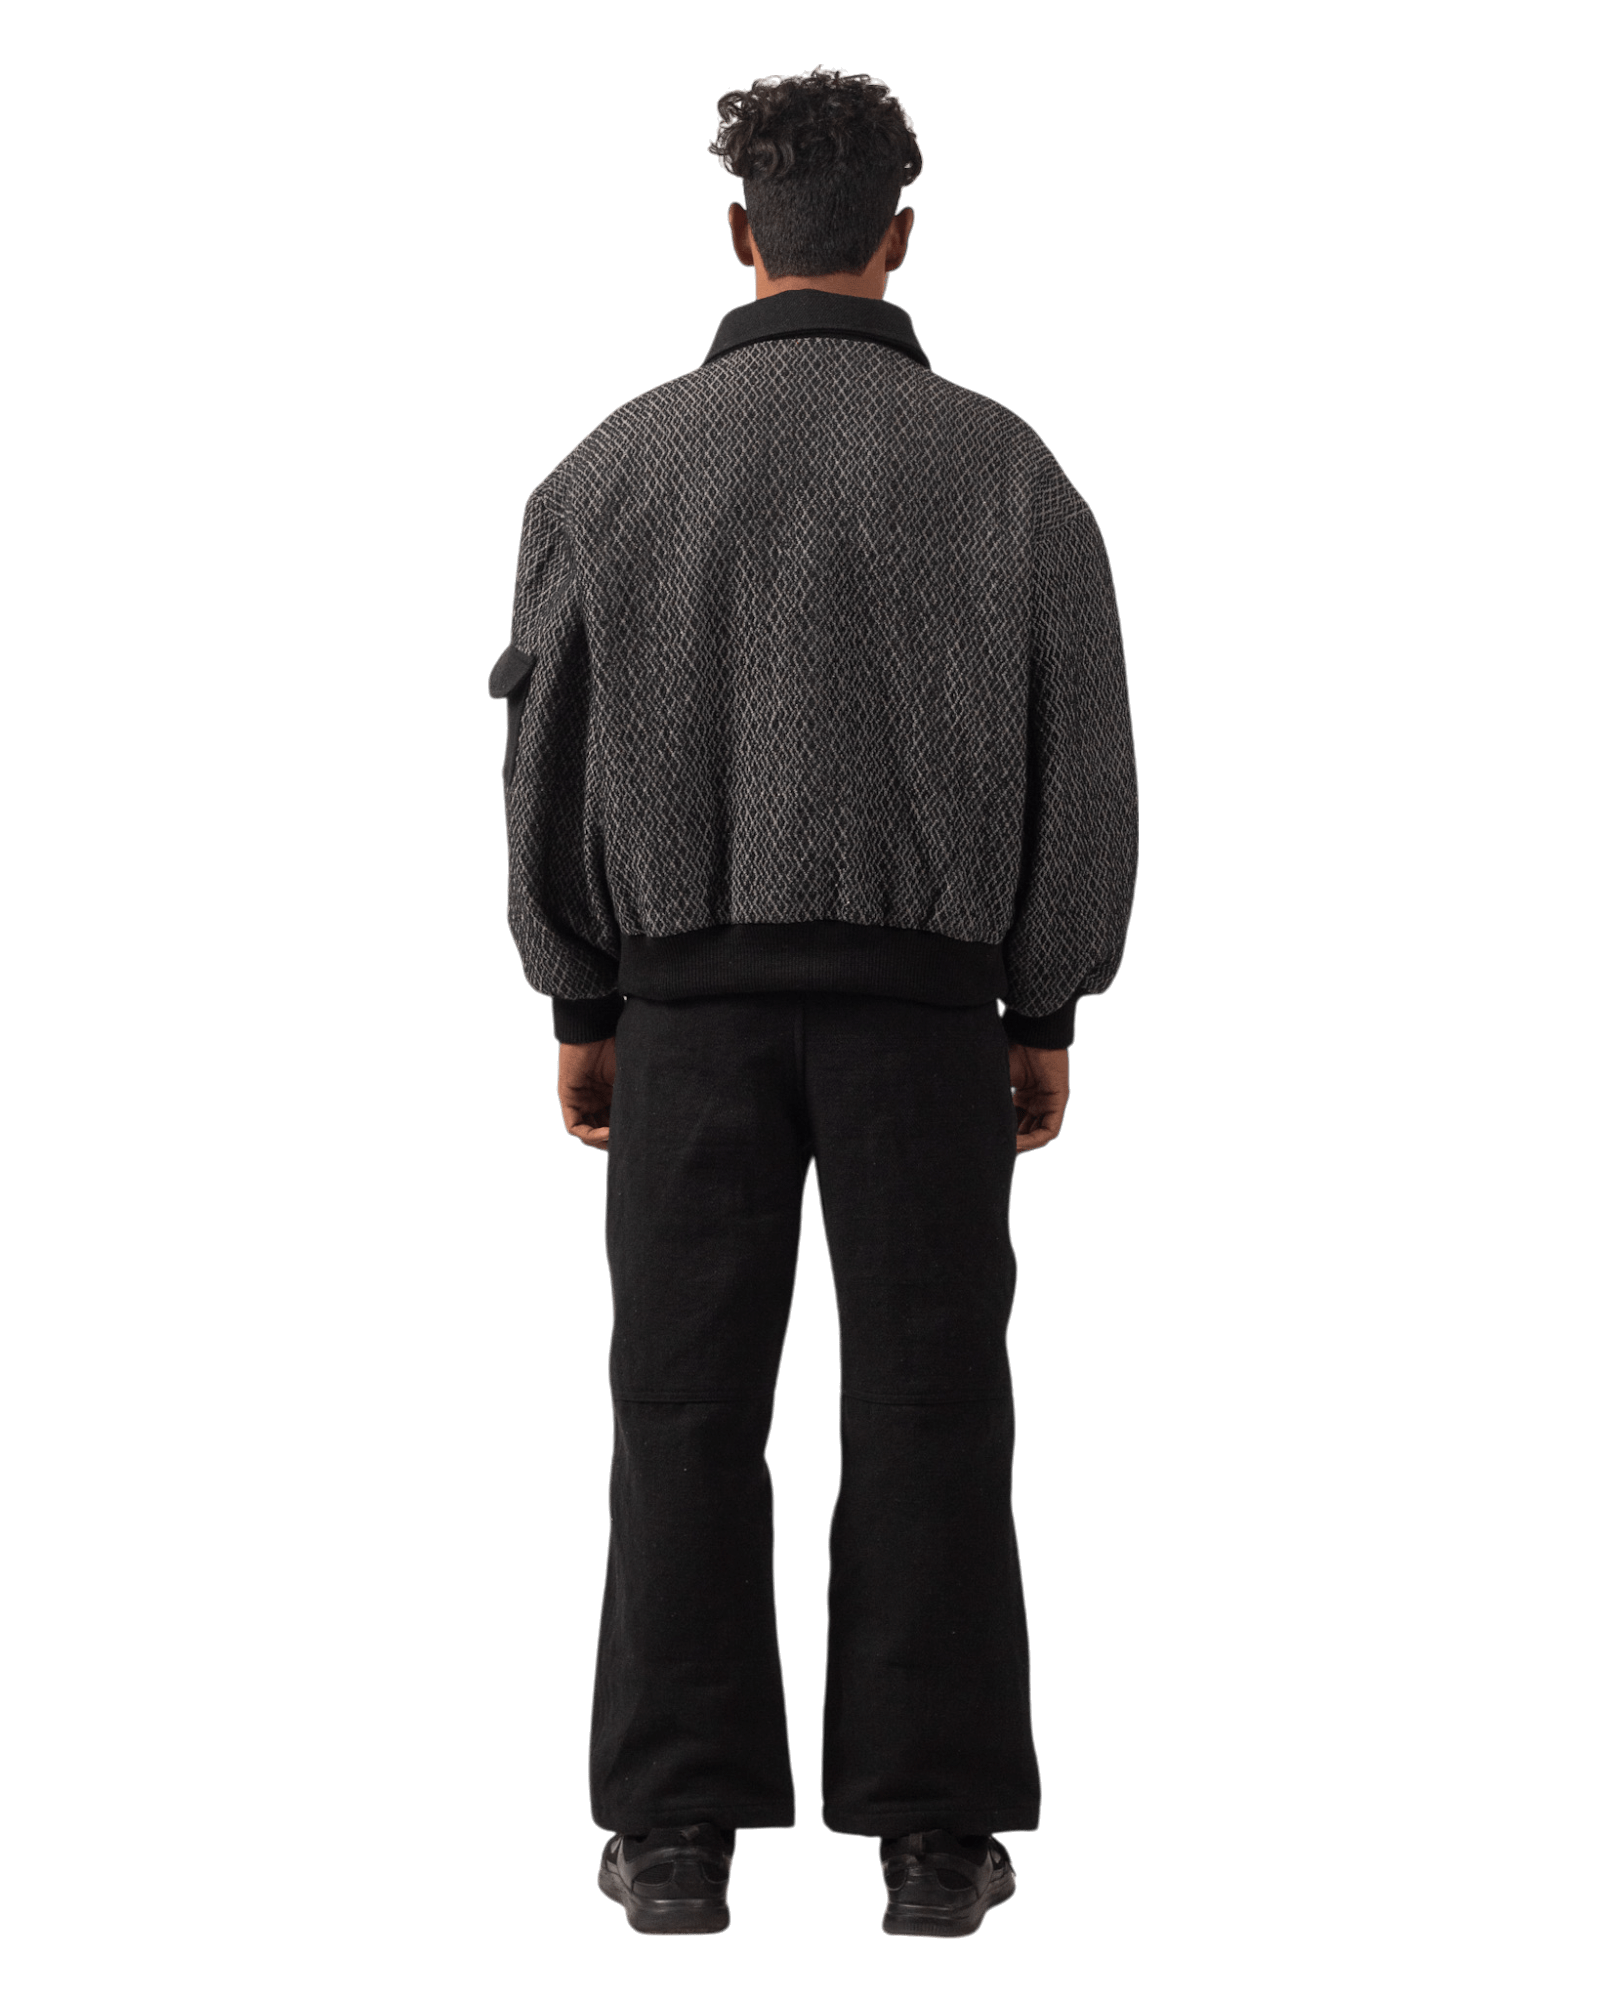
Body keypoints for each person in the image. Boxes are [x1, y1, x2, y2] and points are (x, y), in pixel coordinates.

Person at [488, 64, 1138, 1941]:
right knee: (934, 1408)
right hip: (927, 1018)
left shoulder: (606, 471)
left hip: (682, 1015)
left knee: (678, 1405)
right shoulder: (1012, 473)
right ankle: (933, 1845)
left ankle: (674, 1838)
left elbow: (541, 762)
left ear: (736, 230)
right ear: (899, 235)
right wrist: (1045, 1006)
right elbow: (1086, 763)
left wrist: (574, 994)